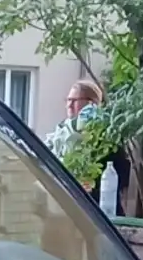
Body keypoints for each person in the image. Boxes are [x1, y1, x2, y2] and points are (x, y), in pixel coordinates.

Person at [44, 78, 123, 218]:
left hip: (97, 210)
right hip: (63, 205)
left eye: (74, 100)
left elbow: (119, 172)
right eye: (68, 100)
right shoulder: (61, 131)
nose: (69, 105)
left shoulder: (104, 133)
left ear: (90, 104)